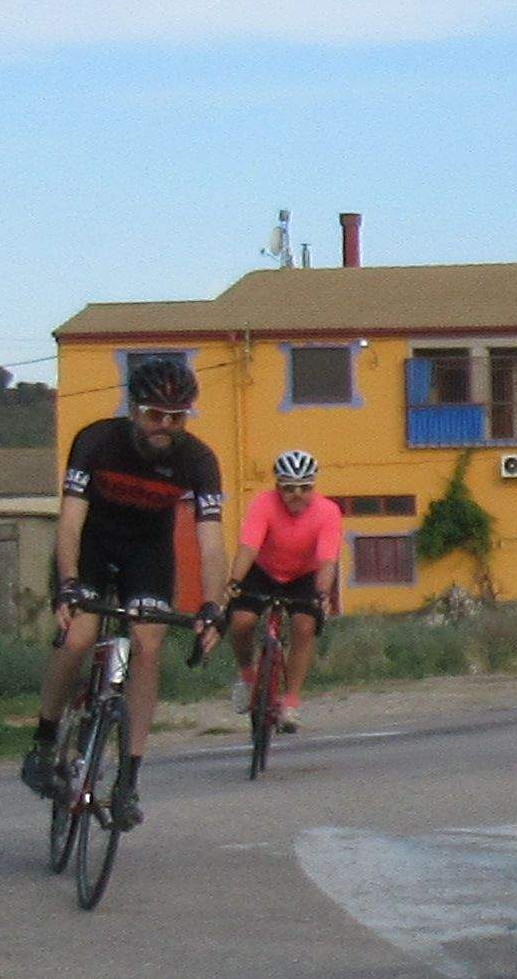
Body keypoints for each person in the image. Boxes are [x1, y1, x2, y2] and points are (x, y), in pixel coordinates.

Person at [30, 353, 225, 826]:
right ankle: (43, 741)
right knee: (77, 638)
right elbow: (71, 520)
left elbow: (211, 541)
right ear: (133, 410)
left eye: (177, 417)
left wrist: (213, 605)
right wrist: (69, 583)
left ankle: (128, 782)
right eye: (156, 415)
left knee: (147, 643)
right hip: (92, 548)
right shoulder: (96, 441)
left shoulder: (197, 461)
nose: (166, 426)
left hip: (147, 553)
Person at [214, 449, 346, 746]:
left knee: (304, 627)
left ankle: (291, 703)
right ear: (277, 487)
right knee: (241, 621)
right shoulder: (263, 504)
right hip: (263, 571)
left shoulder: (327, 512)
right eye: (288, 488)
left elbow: (327, 560)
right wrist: (234, 582)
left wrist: (322, 594)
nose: (296, 495)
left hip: (302, 576)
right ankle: (248, 678)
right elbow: (248, 547)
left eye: (304, 488)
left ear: (313, 486)